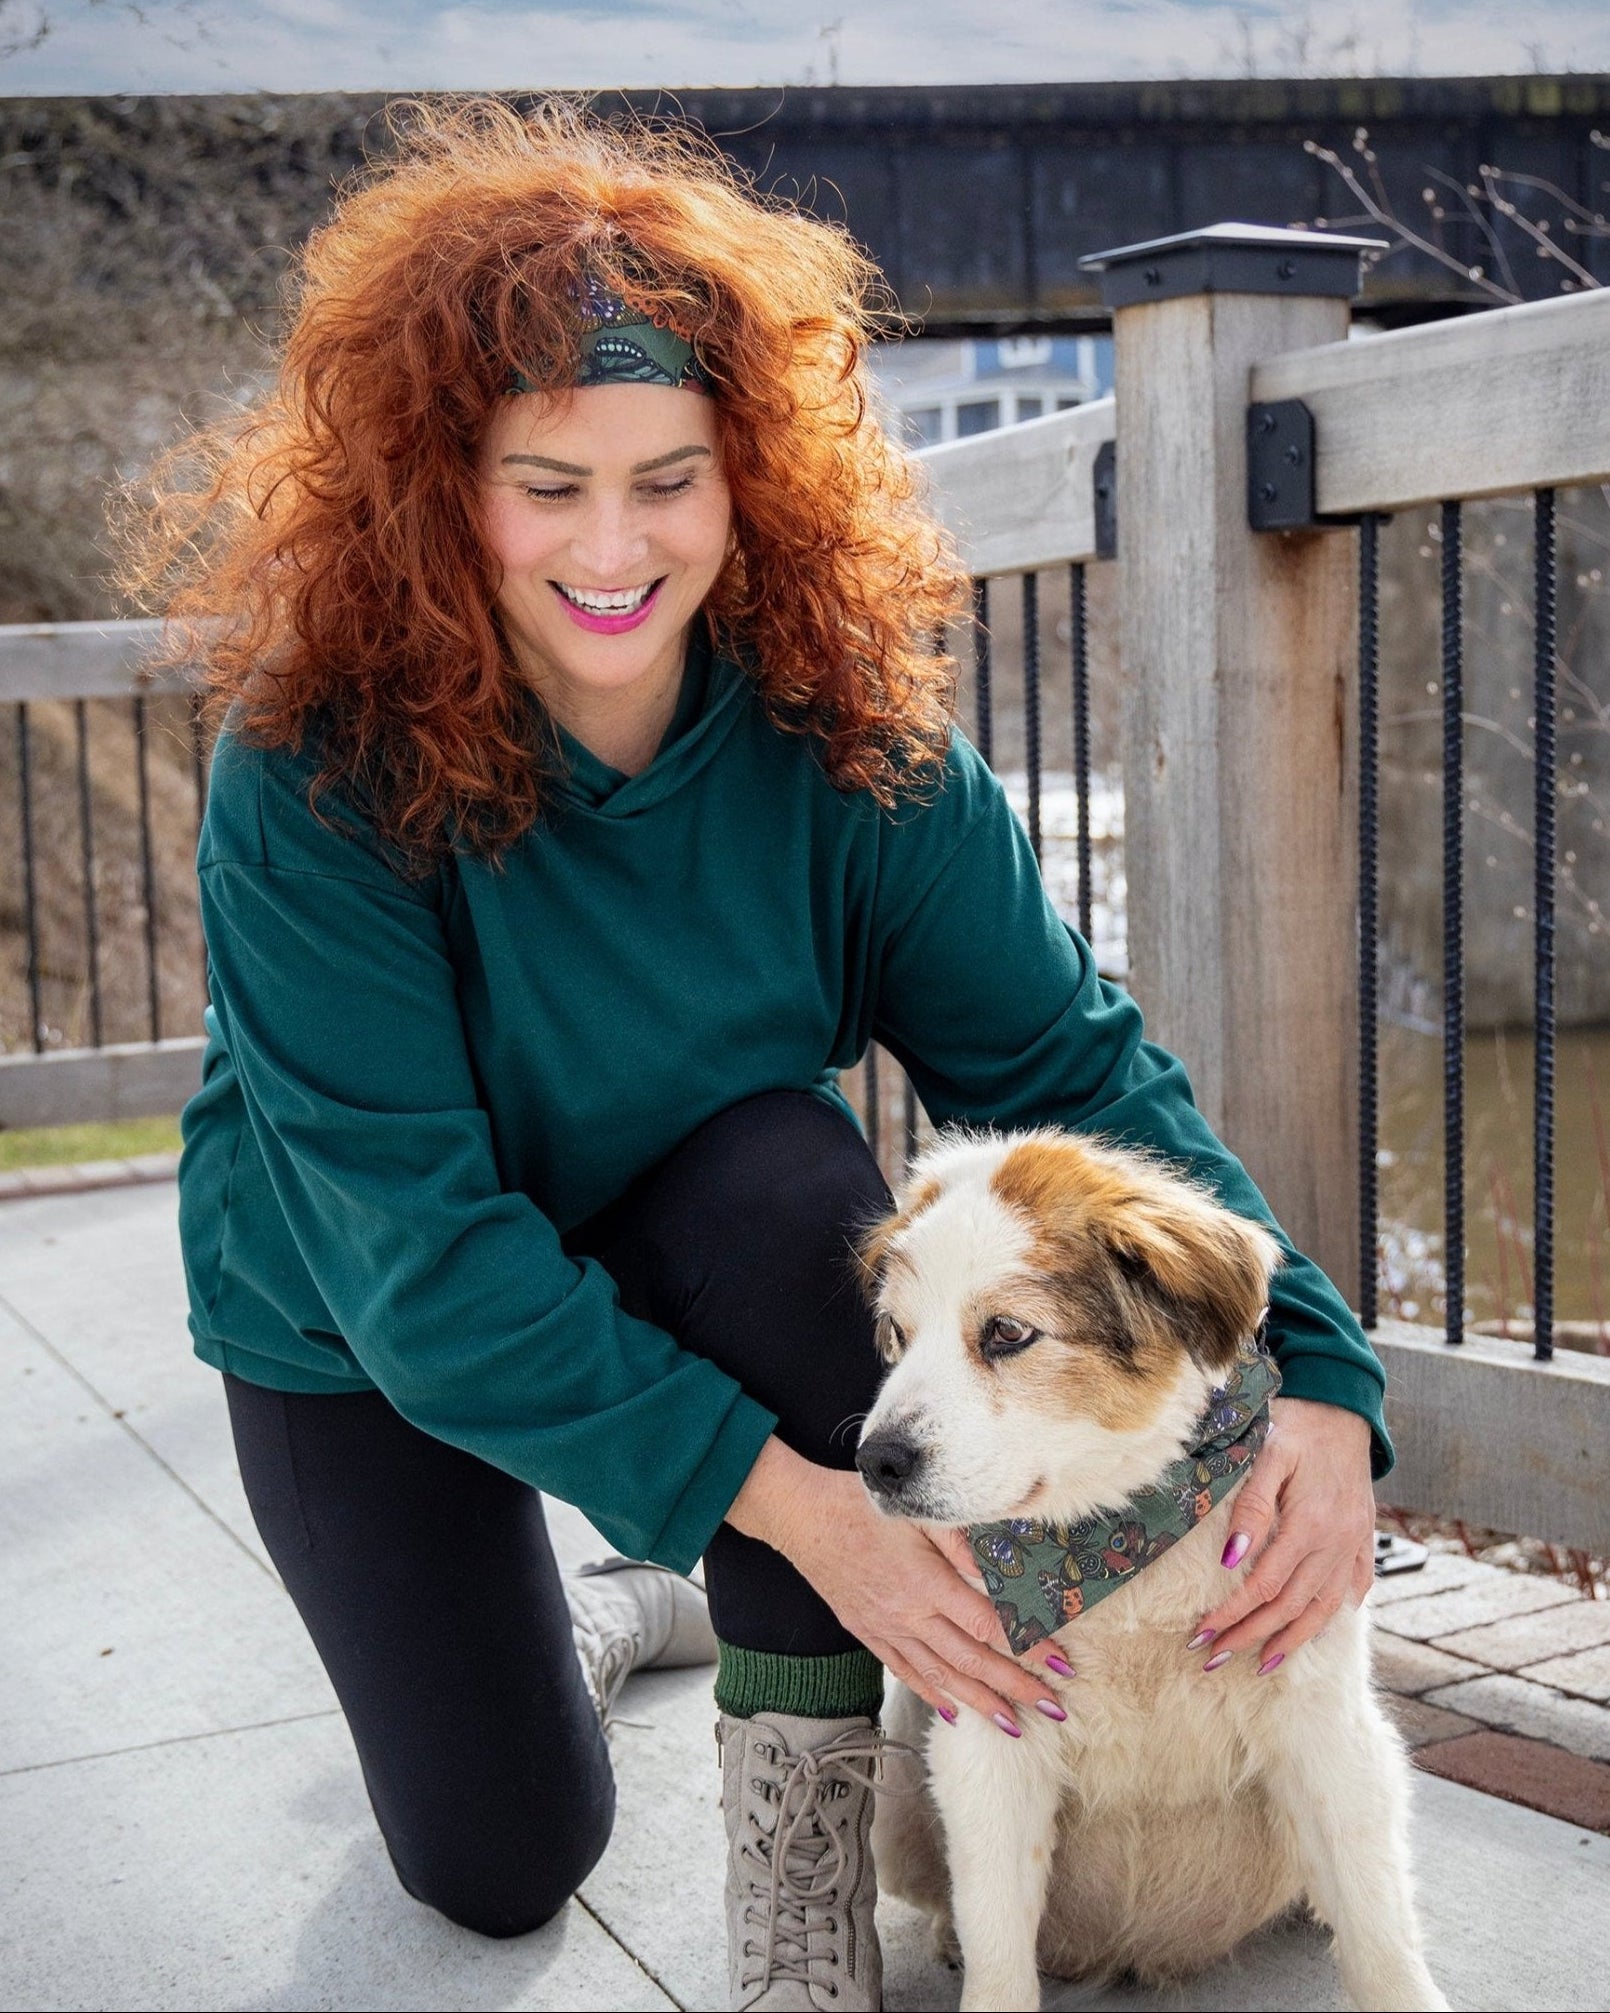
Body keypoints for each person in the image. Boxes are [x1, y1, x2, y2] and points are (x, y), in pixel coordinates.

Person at [131, 100, 1390, 2013]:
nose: (615, 547)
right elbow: (423, 1263)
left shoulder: (850, 736)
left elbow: (1068, 1058)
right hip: (367, 1314)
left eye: (670, 478)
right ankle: (616, 1602)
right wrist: (793, 1506)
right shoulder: (311, 772)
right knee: (495, 1860)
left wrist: (1317, 1374)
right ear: (434, 484)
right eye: (544, 484)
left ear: (752, 477)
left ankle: (798, 1935)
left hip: (702, 1217)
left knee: (806, 1205)